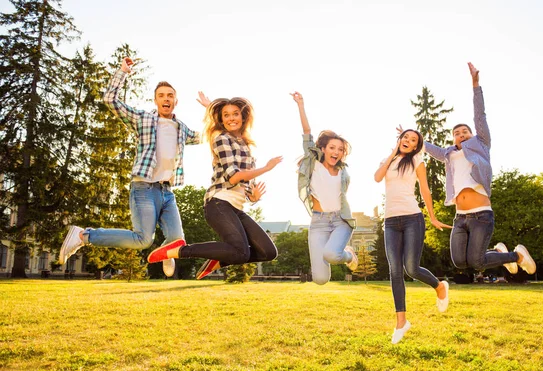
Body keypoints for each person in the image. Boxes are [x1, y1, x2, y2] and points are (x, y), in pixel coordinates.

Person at [58, 57, 202, 278]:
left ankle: (168, 252)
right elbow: (110, 100)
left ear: (176, 101)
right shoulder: (142, 118)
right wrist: (122, 72)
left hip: (167, 191)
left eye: (170, 96)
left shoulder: (182, 128)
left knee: (178, 240)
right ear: (155, 100)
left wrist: (212, 109)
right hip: (144, 188)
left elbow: (207, 136)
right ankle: (83, 236)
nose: (166, 99)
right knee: (143, 239)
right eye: (161, 95)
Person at [147, 95, 281, 279]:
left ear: (243, 117)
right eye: (226, 115)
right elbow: (233, 177)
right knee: (241, 252)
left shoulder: (245, 145)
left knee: (268, 252)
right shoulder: (221, 139)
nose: (231, 118)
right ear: (221, 119)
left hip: (236, 207)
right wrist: (265, 168)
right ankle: (180, 250)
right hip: (219, 204)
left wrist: (254, 197)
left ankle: (220, 258)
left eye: (235, 114)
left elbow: (245, 185)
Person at [422, 62, 536, 277]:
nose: (461, 134)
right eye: (457, 133)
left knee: (477, 261)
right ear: (453, 138)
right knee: (460, 262)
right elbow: (427, 147)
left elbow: (479, 115)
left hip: (482, 215)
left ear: (472, 134)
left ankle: (515, 255)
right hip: (460, 217)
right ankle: (499, 252)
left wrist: (476, 85)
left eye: (465, 131)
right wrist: (411, 136)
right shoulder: (448, 154)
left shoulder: (481, 144)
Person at [374, 127, 453, 344]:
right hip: (390, 221)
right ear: (399, 139)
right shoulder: (388, 160)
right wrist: (392, 153)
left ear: (417, 145)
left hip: (412, 218)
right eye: (406, 137)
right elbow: (377, 177)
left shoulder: (417, 160)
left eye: (413, 139)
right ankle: (401, 322)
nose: (408, 141)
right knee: (395, 271)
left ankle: (439, 286)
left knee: (411, 268)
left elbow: (425, 190)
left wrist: (433, 217)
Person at [290, 91, 358, 285]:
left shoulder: (343, 172)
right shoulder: (314, 164)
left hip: (340, 220)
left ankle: (347, 255)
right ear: (323, 149)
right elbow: (306, 133)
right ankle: (341, 254)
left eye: (340, 149)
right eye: (332, 147)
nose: (336, 152)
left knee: (331, 254)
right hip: (318, 222)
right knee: (320, 279)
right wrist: (300, 105)